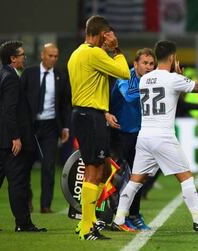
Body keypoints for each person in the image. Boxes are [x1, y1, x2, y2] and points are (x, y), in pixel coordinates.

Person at [111, 40, 198, 232]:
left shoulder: (145, 79)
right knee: (186, 178)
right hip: (163, 137)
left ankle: (119, 220)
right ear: (172, 57)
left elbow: (169, 92)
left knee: (135, 180)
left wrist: (177, 77)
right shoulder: (172, 79)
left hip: (144, 136)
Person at [68, 15, 130, 240]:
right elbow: (123, 72)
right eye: (108, 36)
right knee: (94, 169)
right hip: (90, 115)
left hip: (86, 114)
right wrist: (117, 50)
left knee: (101, 169)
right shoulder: (93, 53)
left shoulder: (76, 54)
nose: (109, 41)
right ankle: (86, 226)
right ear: (103, 34)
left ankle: (89, 221)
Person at [0, 40, 46, 232]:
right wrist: (15, 137)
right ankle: (23, 223)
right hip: (8, 141)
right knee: (18, 182)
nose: (24, 57)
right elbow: (10, 110)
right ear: (12, 58)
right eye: (21, 54)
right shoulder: (11, 78)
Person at [21, 43, 71, 213]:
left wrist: (65, 127)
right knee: (25, 166)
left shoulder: (61, 76)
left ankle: (45, 205)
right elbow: (20, 100)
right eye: (50, 55)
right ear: (42, 55)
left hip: (50, 126)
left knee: (48, 166)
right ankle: (27, 200)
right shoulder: (29, 74)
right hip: (30, 126)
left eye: (56, 56)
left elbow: (65, 104)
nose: (53, 59)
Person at [109, 48, 155, 230]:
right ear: (135, 64)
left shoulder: (152, 80)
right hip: (120, 134)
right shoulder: (124, 77)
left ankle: (134, 215)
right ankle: (116, 216)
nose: (149, 67)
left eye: (152, 64)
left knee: (138, 176)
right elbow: (128, 96)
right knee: (122, 177)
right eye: (145, 63)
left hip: (139, 134)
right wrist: (151, 86)